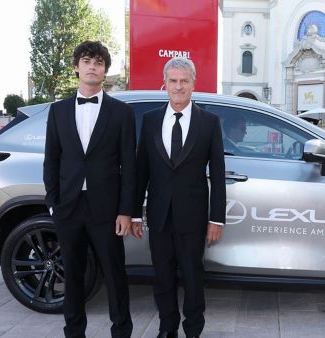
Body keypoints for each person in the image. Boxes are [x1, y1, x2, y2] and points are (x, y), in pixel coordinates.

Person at [43, 40, 135, 338]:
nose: (92, 66)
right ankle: (74, 332)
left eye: (98, 62)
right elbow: (52, 160)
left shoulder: (122, 113)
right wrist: (54, 203)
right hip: (69, 208)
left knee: (115, 274)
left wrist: (125, 211)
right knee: (72, 276)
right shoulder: (57, 112)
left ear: (105, 70)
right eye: (86, 61)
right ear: (77, 67)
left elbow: (129, 166)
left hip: (107, 210)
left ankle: (121, 331)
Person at [131, 57, 226, 338]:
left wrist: (216, 218)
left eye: (184, 81)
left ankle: (193, 330)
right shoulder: (150, 121)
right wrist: (135, 212)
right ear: (165, 84)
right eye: (173, 81)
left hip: (194, 217)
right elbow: (141, 171)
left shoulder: (209, 122)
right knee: (162, 277)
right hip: (159, 215)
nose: (178, 86)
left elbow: (218, 174)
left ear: (193, 83)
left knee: (193, 277)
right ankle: (167, 328)